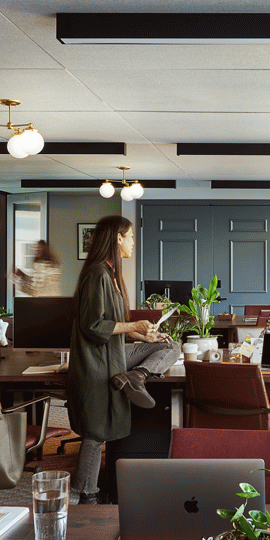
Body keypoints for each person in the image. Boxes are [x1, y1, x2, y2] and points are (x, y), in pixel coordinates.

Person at [66, 216, 180, 505]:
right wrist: (134, 326)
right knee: (96, 431)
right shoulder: (98, 276)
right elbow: (94, 326)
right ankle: (84, 493)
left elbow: (112, 327)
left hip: (114, 355)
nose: (132, 242)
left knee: (170, 345)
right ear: (117, 238)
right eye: (129, 237)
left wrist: (143, 338)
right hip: (96, 362)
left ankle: (138, 375)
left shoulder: (111, 275)